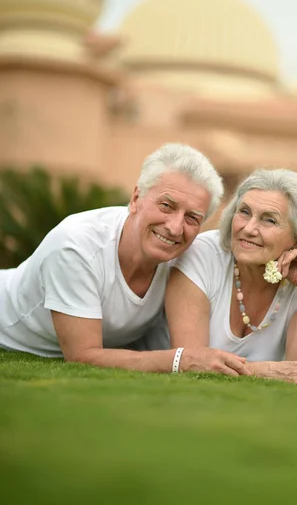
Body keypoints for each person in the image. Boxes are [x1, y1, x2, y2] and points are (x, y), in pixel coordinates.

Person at [0, 144, 251, 376]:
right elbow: (82, 357)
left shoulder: (189, 255)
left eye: (192, 218)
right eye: (166, 205)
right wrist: (181, 360)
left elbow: (242, 255)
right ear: (135, 199)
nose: (175, 228)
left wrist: (288, 259)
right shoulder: (75, 246)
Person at [165, 169, 297, 385]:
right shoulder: (203, 254)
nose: (248, 229)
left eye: (269, 220)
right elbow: (192, 364)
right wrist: (269, 370)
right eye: (245, 212)